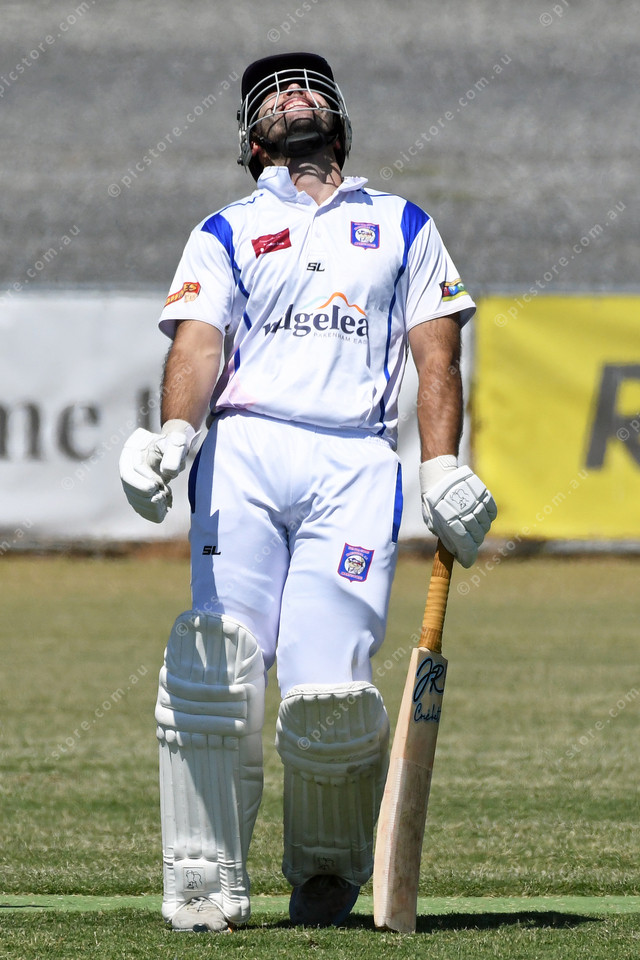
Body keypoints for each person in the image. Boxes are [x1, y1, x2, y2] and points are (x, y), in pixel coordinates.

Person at [119, 51, 496, 933]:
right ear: (253, 141)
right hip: (244, 452)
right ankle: (206, 876)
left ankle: (326, 870)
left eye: (309, 87)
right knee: (217, 668)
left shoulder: (402, 222)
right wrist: (175, 435)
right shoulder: (226, 229)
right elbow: (198, 343)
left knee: (331, 695)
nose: (294, 96)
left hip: (354, 459)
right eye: (272, 95)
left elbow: (437, 350)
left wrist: (441, 466)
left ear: (340, 121)